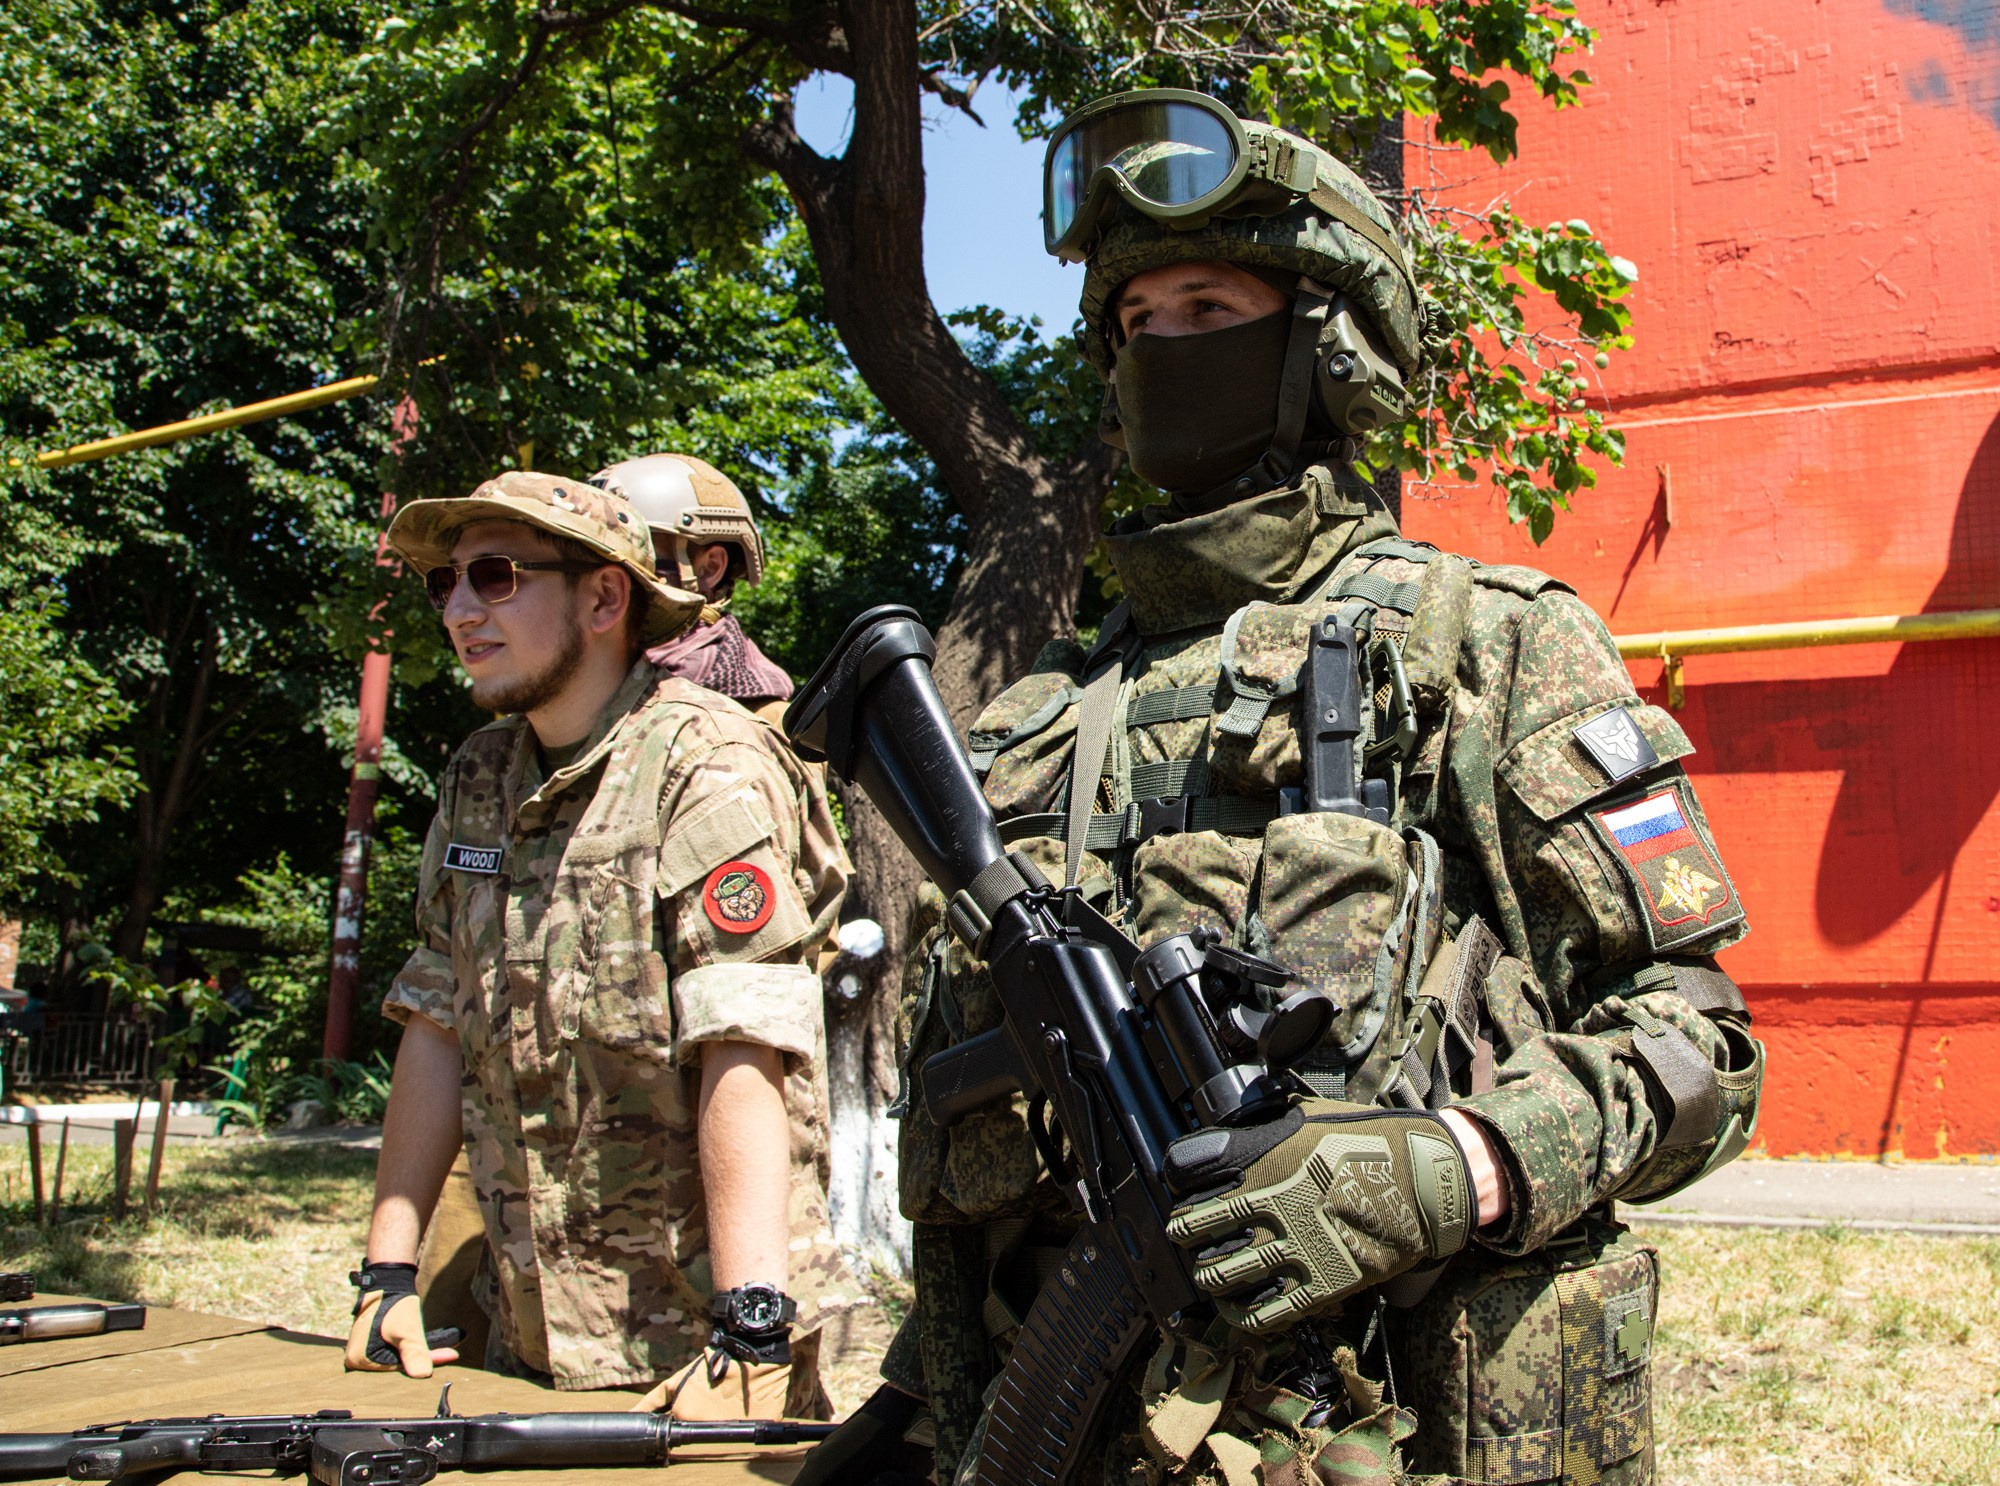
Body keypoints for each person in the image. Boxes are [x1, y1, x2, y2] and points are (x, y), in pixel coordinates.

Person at [816, 90, 1764, 1485]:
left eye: (1207, 307)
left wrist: (1458, 1161)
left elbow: (1701, 1043)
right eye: (1135, 322)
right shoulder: (1038, 716)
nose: (1161, 348)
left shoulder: (1484, 645)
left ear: (1328, 347)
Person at [348, 470, 856, 1420]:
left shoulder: (708, 763)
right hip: (524, 1328)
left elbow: (745, 1041)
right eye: (445, 583)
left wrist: (749, 1326)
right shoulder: (479, 776)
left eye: (495, 576)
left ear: (603, 598)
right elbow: (435, 1014)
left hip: (693, 1353)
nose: (459, 608)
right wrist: (388, 1272)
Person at [589, 453, 795, 723]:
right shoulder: (583, 687)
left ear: (709, 567)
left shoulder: (760, 720)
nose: (601, 577)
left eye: (637, 552)